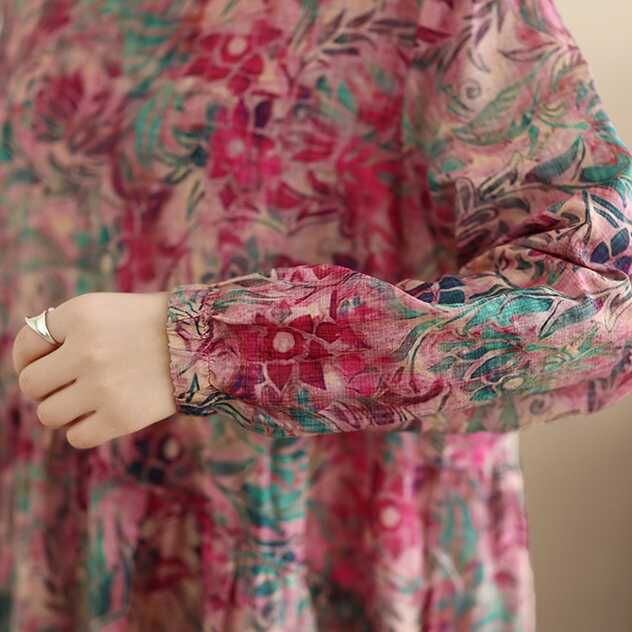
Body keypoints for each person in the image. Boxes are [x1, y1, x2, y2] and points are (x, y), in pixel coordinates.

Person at [1, 0, 631, 629]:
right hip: (68, 539)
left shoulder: (445, 13)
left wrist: (213, 346)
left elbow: (602, 295)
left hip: (335, 546)